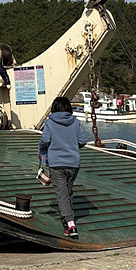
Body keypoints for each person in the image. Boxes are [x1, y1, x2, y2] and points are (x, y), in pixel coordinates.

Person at [38, 95, 88, 238]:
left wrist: (42, 148)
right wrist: (71, 146)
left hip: (57, 163)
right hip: (73, 163)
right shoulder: (75, 122)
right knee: (68, 191)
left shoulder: (50, 122)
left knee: (61, 194)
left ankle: (70, 224)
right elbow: (83, 140)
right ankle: (68, 217)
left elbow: (45, 140)